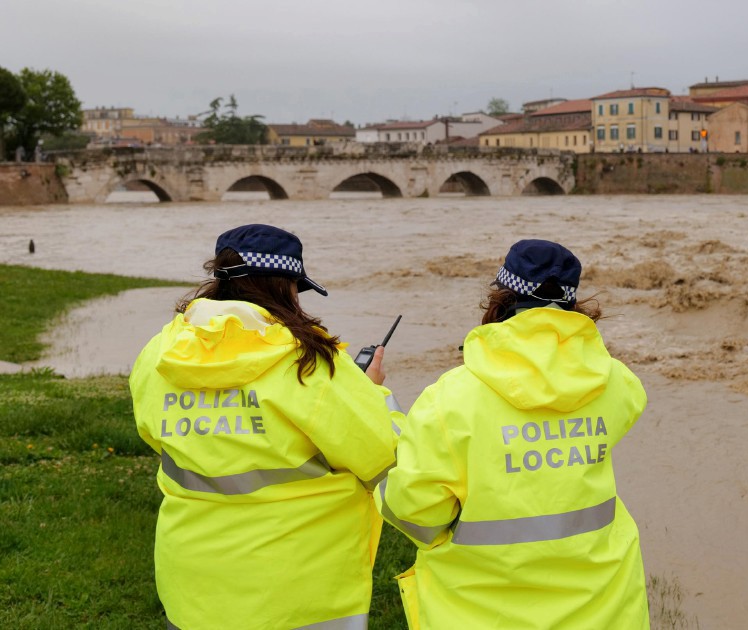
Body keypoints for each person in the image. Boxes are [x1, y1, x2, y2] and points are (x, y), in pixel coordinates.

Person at [129, 224, 402, 629]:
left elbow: (156, 436)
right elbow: (389, 457)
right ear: (285, 288)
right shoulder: (310, 365)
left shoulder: (161, 352)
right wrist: (372, 393)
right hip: (296, 594)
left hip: (192, 584)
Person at [376, 239, 651, 629]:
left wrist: (383, 412)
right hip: (604, 609)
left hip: (483, 612)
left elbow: (416, 516)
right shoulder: (615, 382)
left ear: (501, 299)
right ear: (574, 307)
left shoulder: (451, 398)